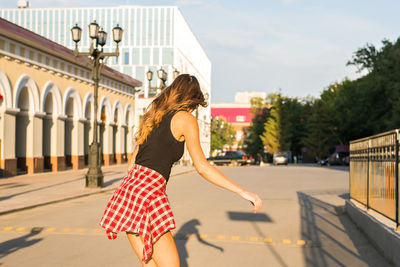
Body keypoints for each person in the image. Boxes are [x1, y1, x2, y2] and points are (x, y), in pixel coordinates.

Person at [100, 74, 262, 267]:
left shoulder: (154, 115)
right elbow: (202, 167)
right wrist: (242, 191)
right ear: (192, 99)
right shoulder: (185, 119)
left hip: (128, 195)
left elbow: (132, 164)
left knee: (150, 264)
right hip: (149, 195)